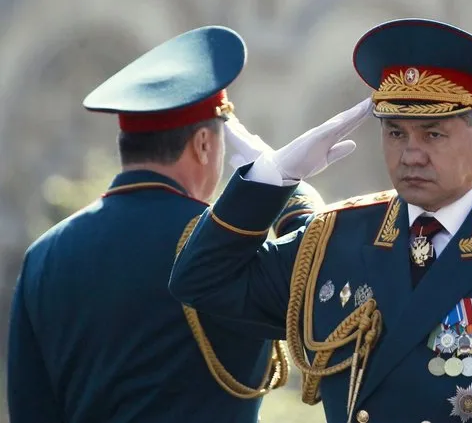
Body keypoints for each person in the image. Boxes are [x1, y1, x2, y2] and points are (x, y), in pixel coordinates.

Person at [168, 19, 472, 423]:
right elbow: (201, 281)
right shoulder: (338, 237)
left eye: (433, 134)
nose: (411, 154)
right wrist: (273, 178)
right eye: (395, 132)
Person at [5, 25, 341, 423]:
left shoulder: (45, 253)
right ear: (203, 144)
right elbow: (323, 277)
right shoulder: (227, 252)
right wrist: (286, 187)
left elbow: (30, 407)